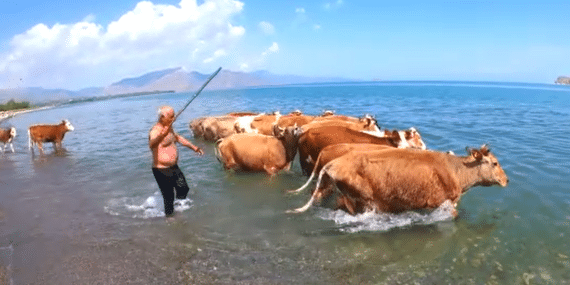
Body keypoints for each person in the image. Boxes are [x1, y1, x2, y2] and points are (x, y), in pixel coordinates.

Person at [149, 106, 204, 220]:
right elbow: (152, 144)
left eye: (174, 115)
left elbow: (178, 138)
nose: (174, 118)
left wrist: (194, 148)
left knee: (183, 188)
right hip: (161, 170)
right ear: (162, 117)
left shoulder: (169, 128)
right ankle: (170, 219)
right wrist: (161, 135)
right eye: (171, 116)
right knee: (168, 196)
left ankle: (179, 209)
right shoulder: (156, 130)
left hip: (174, 167)